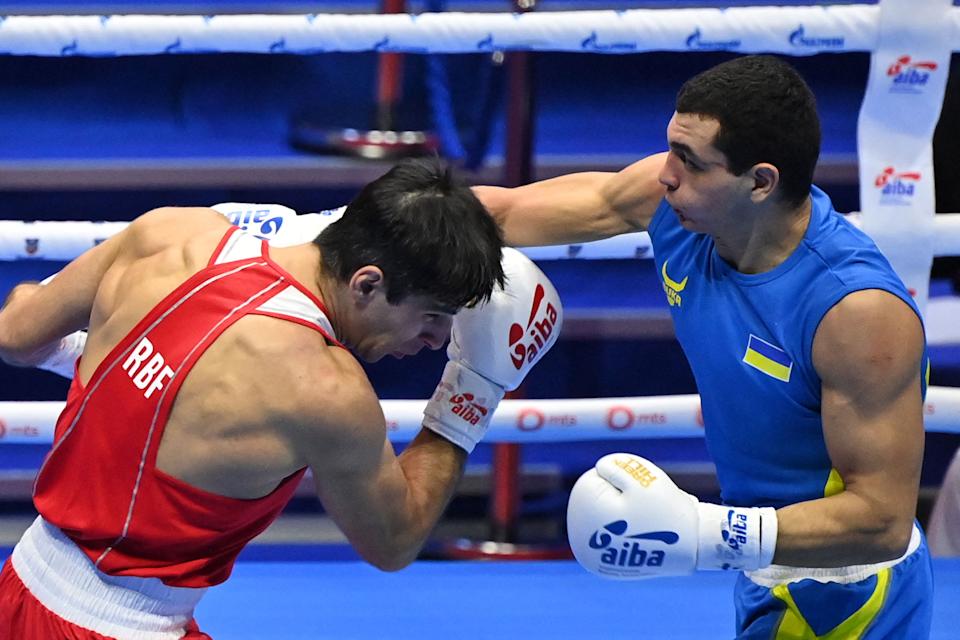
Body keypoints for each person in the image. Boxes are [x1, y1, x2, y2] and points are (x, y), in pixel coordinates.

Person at [0, 157, 563, 639]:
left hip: (18, 587)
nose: (439, 341)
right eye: (432, 317)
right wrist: (471, 393)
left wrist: (103, 346)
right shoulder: (323, 388)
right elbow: (393, 541)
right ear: (367, 283)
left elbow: (16, 333)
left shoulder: (169, 233)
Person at [476, 55, 933, 638]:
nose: (665, 174)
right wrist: (344, 228)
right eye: (671, 148)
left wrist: (704, 533)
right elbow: (507, 212)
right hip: (766, 568)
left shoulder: (856, 312)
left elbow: (883, 520)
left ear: (760, 182)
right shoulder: (676, 207)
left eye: (690, 162)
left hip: (849, 594)